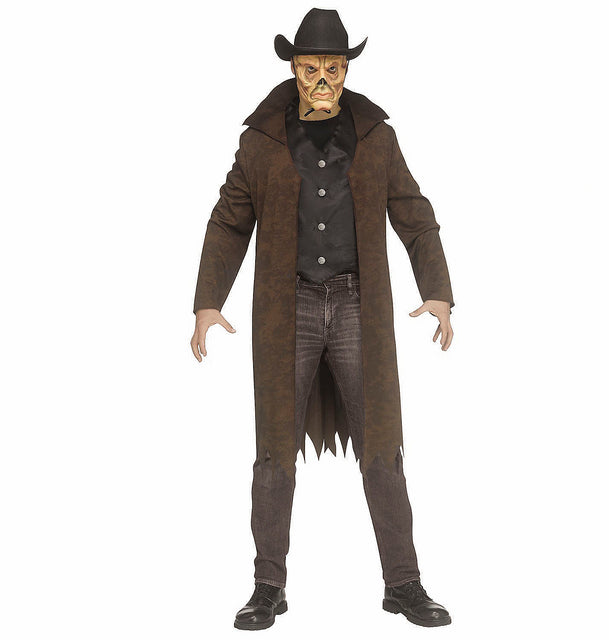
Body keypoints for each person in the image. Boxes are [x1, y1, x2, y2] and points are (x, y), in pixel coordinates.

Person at [191, 8, 455, 630]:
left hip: (360, 304)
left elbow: (413, 213)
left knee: (383, 447)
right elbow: (229, 220)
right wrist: (207, 302)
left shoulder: (376, 137)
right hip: (288, 308)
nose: (321, 81)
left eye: (332, 68)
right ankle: (267, 587)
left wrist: (438, 291)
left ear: (346, 71)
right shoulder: (260, 142)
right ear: (293, 68)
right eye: (310, 68)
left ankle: (403, 584)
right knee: (273, 452)